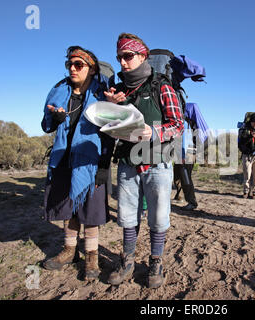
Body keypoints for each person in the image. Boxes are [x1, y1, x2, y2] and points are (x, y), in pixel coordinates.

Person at [104, 33, 184, 288]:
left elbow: (178, 125)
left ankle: (156, 262)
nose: (123, 63)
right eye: (119, 58)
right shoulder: (118, 90)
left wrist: (155, 132)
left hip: (158, 163)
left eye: (128, 56)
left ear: (142, 55)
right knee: (127, 215)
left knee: (159, 216)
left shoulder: (162, 86)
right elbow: (110, 125)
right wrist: (110, 108)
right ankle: (127, 260)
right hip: (128, 162)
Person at [41, 46, 115, 280]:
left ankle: (91, 256)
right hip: (63, 157)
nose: (72, 69)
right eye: (69, 64)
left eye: (78, 65)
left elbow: (110, 132)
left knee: (89, 211)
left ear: (92, 69)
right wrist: (55, 118)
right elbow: (46, 126)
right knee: (68, 207)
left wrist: (103, 166)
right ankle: (69, 251)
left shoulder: (103, 95)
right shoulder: (59, 91)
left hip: (90, 161)